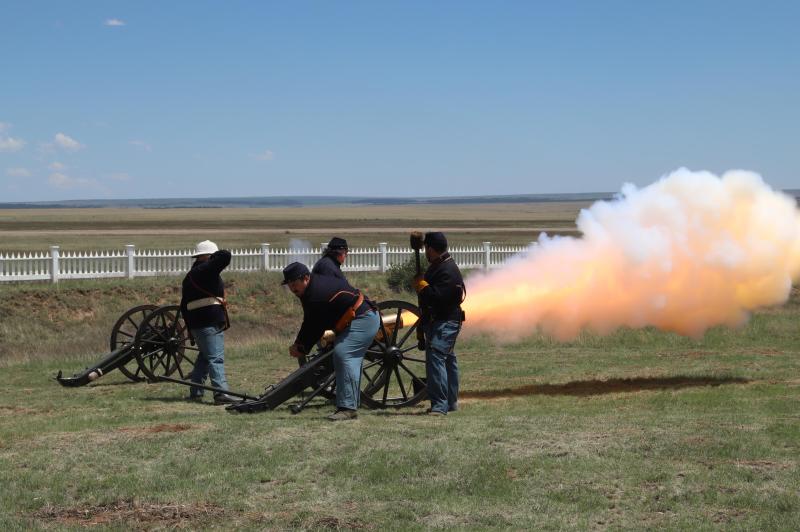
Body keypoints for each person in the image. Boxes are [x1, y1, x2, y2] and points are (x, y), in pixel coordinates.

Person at [282, 261, 380, 421]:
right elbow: (310, 320)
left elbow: (315, 325)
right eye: (289, 284)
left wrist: (301, 346)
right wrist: (301, 344)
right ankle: (348, 402)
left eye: (294, 283)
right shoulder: (308, 291)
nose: (292, 288)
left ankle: (347, 408)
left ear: (306, 278)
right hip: (348, 321)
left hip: (362, 318)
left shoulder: (317, 293)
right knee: (341, 353)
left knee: (344, 354)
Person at [180, 240, 238, 405]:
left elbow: (183, 305)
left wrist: (190, 329)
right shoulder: (206, 270)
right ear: (206, 256)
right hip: (209, 319)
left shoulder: (190, 276)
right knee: (216, 358)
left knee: (204, 357)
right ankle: (221, 393)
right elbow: (225, 256)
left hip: (197, 322)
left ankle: (196, 391)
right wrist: (214, 256)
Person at [413, 232, 465, 416]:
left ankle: (440, 406)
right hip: (439, 320)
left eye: (426, 248)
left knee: (436, 358)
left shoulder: (447, 270)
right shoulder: (439, 266)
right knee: (447, 359)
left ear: (431, 249)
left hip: (446, 321)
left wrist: (422, 286)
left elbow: (438, 299)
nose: (425, 252)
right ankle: (450, 403)